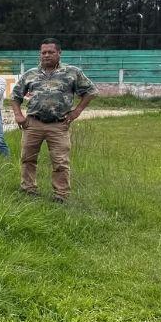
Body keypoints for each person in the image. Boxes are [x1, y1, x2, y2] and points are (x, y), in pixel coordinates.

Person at [10, 39, 96, 202]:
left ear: (59, 53)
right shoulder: (30, 74)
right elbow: (15, 96)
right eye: (44, 52)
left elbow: (91, 91)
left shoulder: (72, 72)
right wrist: (18, 115)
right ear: (40, 54)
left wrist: (76, 111)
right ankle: (28, 189)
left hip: (59, 125)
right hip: (33, 124)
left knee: (60, 162)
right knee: (28, 158)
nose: (47, 55)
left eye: (51, 52)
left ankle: (61, 195)